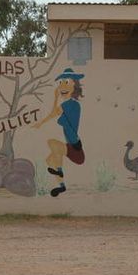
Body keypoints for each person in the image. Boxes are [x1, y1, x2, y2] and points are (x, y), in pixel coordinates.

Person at [33, 68, 85, 197]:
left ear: (74, 85)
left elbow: (54, 113)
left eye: (66, 82)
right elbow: (55, 113)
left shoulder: (72, 104)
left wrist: (55, 98)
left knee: (52, 144)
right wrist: (40, 123)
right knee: (50, 161)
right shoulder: (67, 104)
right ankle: (61, 186)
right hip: (71, 146)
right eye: (61, 82)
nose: (62, 85)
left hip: (75, 145)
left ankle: (60, 171)